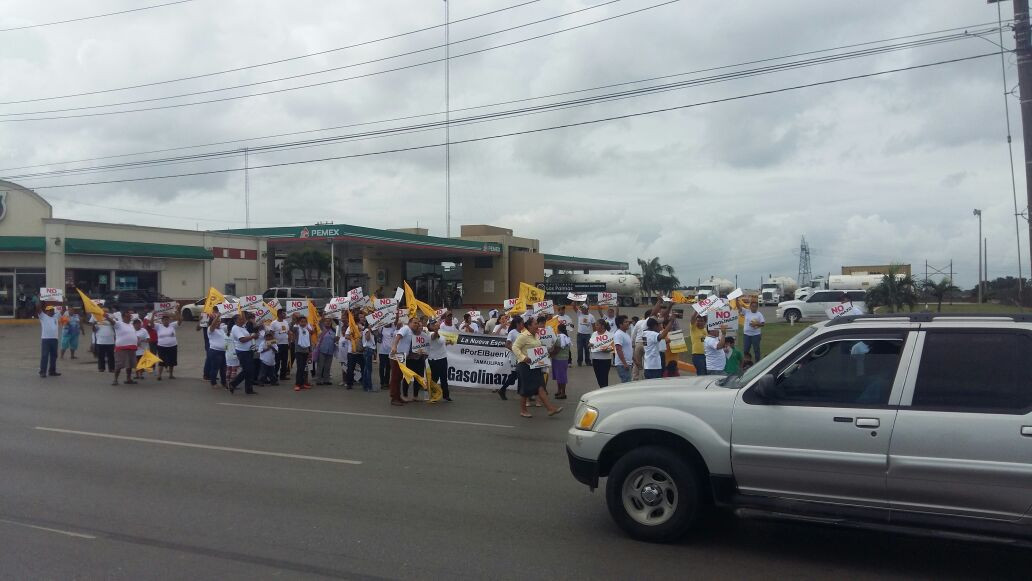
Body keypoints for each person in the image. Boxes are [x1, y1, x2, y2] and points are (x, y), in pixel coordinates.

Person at [511, 315, 563, 419]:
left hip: (535, 365)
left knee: (540, 387)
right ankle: (523, 411)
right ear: (529, 326)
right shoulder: (523, 336)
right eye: (535, 324)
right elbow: (514, 347)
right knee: (525, 390)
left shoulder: (536, 335)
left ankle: (550, 409)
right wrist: (523, 357)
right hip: (524, 366)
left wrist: (545, 354)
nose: (537, 326)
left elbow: (538, 349)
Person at [388, 317, 418, 406]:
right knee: (395, 378)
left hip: (402, 357)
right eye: (414, 323)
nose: (416, 324)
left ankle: (398, 396)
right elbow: (398, 336)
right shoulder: (405, 328)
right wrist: (394, 346)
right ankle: (394, 398)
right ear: (409, 323)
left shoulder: (411, 332)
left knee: (399, 377)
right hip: (397, 356)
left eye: (417, 323)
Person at [229, 313, 260, 395]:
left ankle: (248, 389)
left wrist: (254, 335)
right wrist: (252, 337)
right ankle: (233, 383)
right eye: (240, 319)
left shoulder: (242, 327)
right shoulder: (235, 328)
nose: (242, 320)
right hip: (242, 352)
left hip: (248, 350)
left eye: (243, 319)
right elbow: (242, 339)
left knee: (250, 370)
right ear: (236, 321)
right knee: (247, 370)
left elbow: (249, 336)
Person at [496, 316, 524, 400]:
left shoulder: (522, 332)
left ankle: (521, 393)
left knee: (517, 376)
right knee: (515, 376)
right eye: (522, 323)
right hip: (514, 357)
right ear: (517, 324)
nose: (523, 324)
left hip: (521, 357)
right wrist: (516, 351)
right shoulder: (512, 332)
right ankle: (503, 390)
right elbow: (507, 344)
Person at [109, 309, 139, 385]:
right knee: (119, 365)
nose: (129, 317)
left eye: (130, 316)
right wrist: (106, 317)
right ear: (123, 316)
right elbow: (112, 322)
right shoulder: (119, 323)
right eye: (128, 315)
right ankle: (115, 379)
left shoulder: (131, 325)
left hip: (131, 348)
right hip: (121, 348)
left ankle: (128, 379)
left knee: (129, 365)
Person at [426, 319, 451, 401]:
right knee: (435, 378)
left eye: (435, 323)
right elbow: (434, 337)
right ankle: (433, 394)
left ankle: (446, 395)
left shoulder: (441, 333)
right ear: (429, 326)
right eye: (432, 324)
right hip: (434, 359)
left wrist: (448, 342)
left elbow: (440, 343)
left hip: (442, 358)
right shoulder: (430, 334)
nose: (435, 325)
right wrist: (436, 331)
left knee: (444, 377)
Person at [37, 302, 61, 378]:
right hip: (46, 339)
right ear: (46, 311)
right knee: (45, 355)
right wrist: (39, 299)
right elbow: (38, 308)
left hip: (54, 339)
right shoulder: (43, 317)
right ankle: (42, 372)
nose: (51, 311)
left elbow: (63, 310)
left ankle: (52, 371)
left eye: (52, 310)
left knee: (54, 356)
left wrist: (63, 301)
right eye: (50, 310)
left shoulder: (56, 317)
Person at [589, 320, 614, 388]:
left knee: (604, 378)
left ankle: (604, 392)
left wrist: (606, 350)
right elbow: (591, 344)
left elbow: (612, 348)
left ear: (602, 326)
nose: (595, 326)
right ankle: (602, 390)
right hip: (595, 359)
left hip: (605, 360)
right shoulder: (594, 334)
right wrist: (590, 345)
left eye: (597, 325)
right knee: (599, 378)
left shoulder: (610, 335)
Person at [154, 314, 180, 381]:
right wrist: (153, 315)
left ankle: (171, 374)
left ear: (169, 320)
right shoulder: (158, 326)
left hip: (173, 346)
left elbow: (180, 320)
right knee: (161, 361)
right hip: (162, 346)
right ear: (162, 320)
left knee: (172, 361)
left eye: (167, 319)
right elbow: (151, 324)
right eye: (164, 320)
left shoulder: (173, 325)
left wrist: (177, 313)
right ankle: (159, 375)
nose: (166, 321)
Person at [206, 315, 228, 389]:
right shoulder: (210, 329)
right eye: (217, 322)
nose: (218, 323)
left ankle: (224, 382)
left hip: (223, 352)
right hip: (215, 351)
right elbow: (212, 325)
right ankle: (213, 383)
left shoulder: (221, 329)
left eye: (219, 321)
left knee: (223, 368)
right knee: (215, 368)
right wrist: (217, 316)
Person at [292, 316, 313, 391]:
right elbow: (293, 328)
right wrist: (296, 321)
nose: (303, 323)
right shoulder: (297, 329)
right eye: (301, 321)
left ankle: (303, 383)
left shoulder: (308, 330)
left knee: (304, 368)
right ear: (299, 322)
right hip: (299, 351)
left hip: (306, 351)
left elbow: (310, 341)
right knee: (300, 368)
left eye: (304, 321)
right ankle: (298, 384)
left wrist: (310, 351)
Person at [551, 323, 572, 399]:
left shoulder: (560, 338)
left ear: (558, 329)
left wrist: (550, 354)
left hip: (559, 359)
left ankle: (563, 393)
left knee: (561, 377)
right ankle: (559, 391)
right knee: (559, 376)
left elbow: (557, 349)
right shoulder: (566, 337)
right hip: (564, 359)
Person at [315, 318, 337, 386]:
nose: (328, 322)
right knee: (320, 366)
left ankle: (326, 380)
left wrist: (336, 339)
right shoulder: (321, 328)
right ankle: (318, 380)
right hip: (322, 350)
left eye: (329, 321)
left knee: (328, 366)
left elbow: (335, 340)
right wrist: (323, 316)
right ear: (324, 322)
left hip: (330, 350)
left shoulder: (334, 330)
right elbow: (319, 322)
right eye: (326, 321)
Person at [270, 310, 291, 380]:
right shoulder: (274, 323)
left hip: (285, 344)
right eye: (283, 313)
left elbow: (288, 333)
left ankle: (283, 376)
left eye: (284, 313)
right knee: (277, 361)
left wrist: (289, 342)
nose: (284, 315)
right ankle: (274, 376)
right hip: (277, 345)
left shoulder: (286, 322)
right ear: (278, 314)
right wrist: (273, 345)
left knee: (285, 361)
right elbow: (271, 334)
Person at [613, 315, 634, 384]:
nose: (628, 323)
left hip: (628, 363)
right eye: (625, 322)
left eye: (628, 321)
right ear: (620, 324)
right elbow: (618, 349)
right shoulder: (618, 334)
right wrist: (624, 363)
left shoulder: (625, 334)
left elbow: (629, 349)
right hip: (622, 364)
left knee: (628, 383)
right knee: (626, 383)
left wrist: (635, 360)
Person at [378, 320, 397, 390]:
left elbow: (397, 321)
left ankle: (386, 382)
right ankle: (382, 383)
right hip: (382, 351)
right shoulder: (381, 328)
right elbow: (375, 325)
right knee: (382, 367)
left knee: (388, 368)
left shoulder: (393, 327)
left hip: (390, 352)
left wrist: (397, 314)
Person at [689, 311, 709, 376]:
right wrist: (696, 311)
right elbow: (692, 319)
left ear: (705, 322)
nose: (699, 322)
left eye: (701, 321)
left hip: (707, 355)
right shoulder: (694, 328)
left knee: (707, 374)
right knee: (701, 373)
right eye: (698, 321)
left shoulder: (707, 331)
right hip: (698, 356)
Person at [361, 322, 376, 392]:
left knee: (366, 369)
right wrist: (369, 330)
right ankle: (369, 387)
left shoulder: (368, 330)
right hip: (368, 350)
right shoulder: (367, 330)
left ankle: (365, 386)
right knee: (368, 369)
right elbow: (367, 338)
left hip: (369, 350)